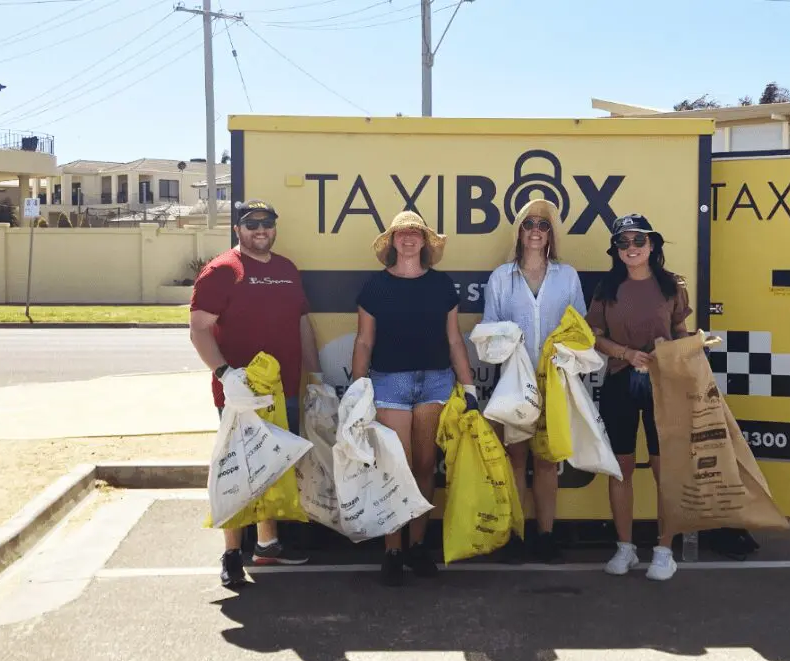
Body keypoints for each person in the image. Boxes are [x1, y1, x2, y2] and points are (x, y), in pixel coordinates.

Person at [189, 198, 321, 588]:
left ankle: (268, 544)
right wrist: (225, 373)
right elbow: (198, 328)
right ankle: (231, 552)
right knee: (238, 470)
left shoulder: (286, 269)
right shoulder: (221, 271)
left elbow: (302, 325)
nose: (260, 230)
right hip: (240, 394)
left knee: (274, 467)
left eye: (266, 223)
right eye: (251, 224)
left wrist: (316, 375)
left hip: (284, 392)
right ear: (238, 229)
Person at [351, 210, 478, 586]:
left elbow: (455, 339)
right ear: (392, 242)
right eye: (401, 234)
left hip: (436, 383)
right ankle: (392, 549)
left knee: (425, 465)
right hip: (389, 384)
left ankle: (417, 546)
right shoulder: (374, 287)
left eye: (415, 233)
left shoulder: (442, 286)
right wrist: (358, 390)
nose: (408, 239)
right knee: (395, 468)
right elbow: (363, 341)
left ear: (425, 242)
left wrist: (468, 387)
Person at [585, 213, 692, 582]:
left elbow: (681, 331)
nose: (631, 248)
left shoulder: (672, 286)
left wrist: (671, 347)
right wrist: (624, 353)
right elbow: (593, 336)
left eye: (638, 241)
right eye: (623, 243)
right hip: (620, 382)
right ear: (616, 250)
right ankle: (625, 547)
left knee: (665, 469)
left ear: (652, 245)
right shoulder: (606, 288)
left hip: (665, 386)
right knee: (621, 467)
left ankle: (664, 549)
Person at [480, 198, 586, 562]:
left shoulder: (567, 276)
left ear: (551, 234)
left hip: (553, 382)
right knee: (514, 460)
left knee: (545, 461)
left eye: (543, 225)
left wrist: (564, 354)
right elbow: (487, 334)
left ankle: (545, 534)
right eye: (529, 224)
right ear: (519, 232)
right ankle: (514, 533)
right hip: (511, 382)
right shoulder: (500, 278)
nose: (536, 231)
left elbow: (579, 329)